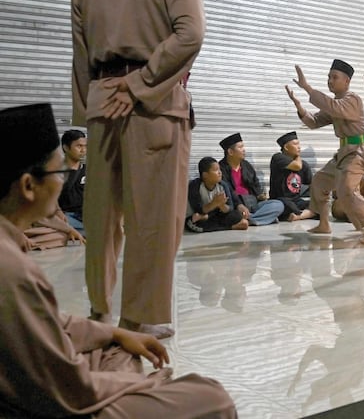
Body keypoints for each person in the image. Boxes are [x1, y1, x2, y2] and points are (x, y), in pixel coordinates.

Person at [0, 103, 236, 418]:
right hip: (52, 404)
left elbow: (52, 324)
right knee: (212, 398)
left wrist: (115, 332)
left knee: (118, 347)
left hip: (49, 379)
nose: (64, 180)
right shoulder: (12, 269)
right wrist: (142, 385)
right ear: (29, 186)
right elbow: (69, 390)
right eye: (60, 172)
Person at [71, 0, 207, 337]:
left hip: (102, 102)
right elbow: (191, 34)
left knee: (101, 215)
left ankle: (98, 312)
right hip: (155, 108)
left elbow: (79, 57)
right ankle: (138, 319)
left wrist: (90, 108)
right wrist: (142, 82)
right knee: (153, 215)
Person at [285, 60, 364, 244]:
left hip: (359, 151)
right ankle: (324, 224)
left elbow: (333, 108)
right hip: (345, 152)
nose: (330, 81)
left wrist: (308, 87)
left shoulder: (352, 100)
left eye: (334, 77)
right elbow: (314, 122)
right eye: (329, 77)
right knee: (320, 181)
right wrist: (299, 106)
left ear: (347, 81)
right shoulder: (336, 104)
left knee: (346, 191)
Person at [218, 133, 285, 226]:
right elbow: (227, 190)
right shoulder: (221, 169)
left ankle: (250, 220)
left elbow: (256, 184)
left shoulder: (246, 165)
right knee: (231, 215)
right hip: (236, 205)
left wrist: (260, 195)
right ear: (230, 152)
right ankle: (263, 218)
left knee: (278, 205)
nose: (244, 150)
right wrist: (238, 205)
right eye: (240, 147)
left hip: (252, 203)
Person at [186, 156, 249, 233]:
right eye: (216, 170)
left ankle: (215, 224)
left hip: (213, 215)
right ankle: (231, 227)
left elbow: (230, 208)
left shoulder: (223, 185)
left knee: (236, 215)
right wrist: (213, 204)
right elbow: (198, 209)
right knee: (192, 221)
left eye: (219, 169)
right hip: (199, 215)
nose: (220, 172)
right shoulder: (195, 186)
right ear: (205, 175)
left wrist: (222, 206)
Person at [270, 131, 316, 222]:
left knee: (320, 206)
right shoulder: (278, 158)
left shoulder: (304, 164)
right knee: (288, 207)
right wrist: (298, 156)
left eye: (299, 144)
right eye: (295, 144)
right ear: (286, 147)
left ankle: (297, 216)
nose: (299, 147)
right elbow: (297, 166)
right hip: (280, 200)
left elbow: (311, 184)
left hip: (296, 200)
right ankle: (303, 214)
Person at [58, 129, 87, 234]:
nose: (83, 150)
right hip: (64, 216)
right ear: (66, 147)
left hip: (84, 216)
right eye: (79, 146)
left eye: (85, 146)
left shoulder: (89, 170)